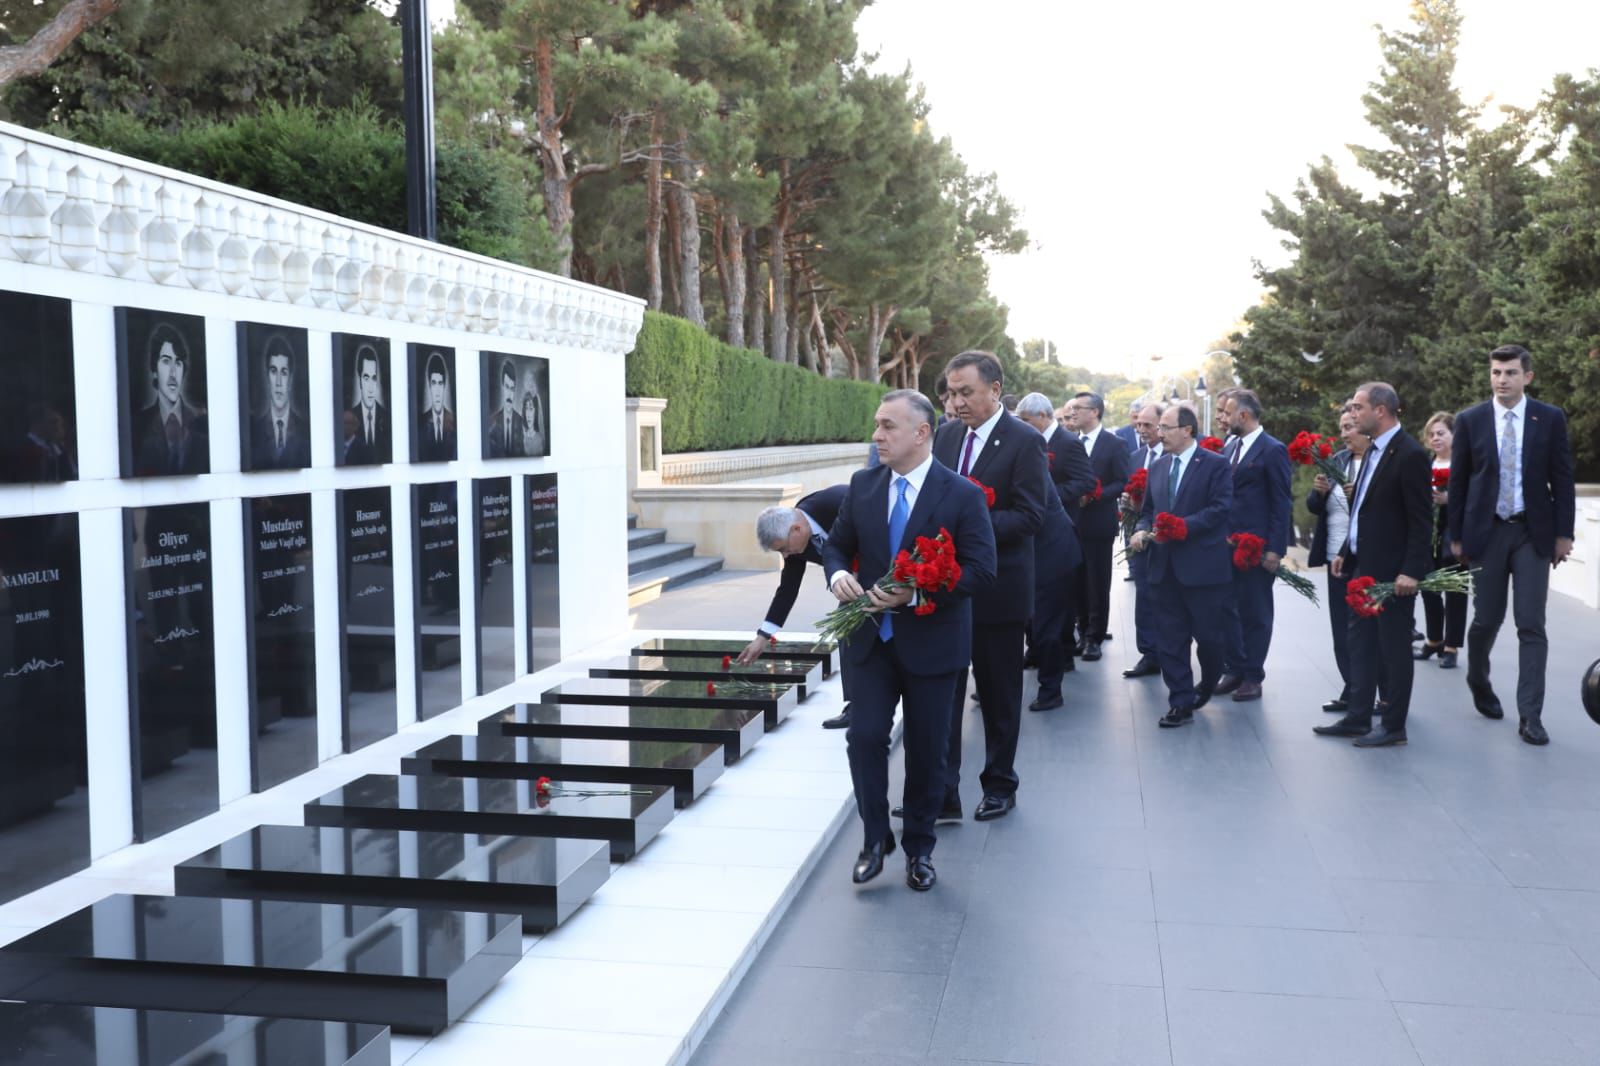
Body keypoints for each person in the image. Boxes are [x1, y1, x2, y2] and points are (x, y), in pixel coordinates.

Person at [822, 389, 996, 891]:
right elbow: (836, 545)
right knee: (865, 737)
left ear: (922, 433)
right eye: (877, 424)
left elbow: (982, 572)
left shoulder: (961, 494)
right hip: (870, 643)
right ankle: (876, 838)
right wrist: (836, 577)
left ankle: (919, 849)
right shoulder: (863, 484)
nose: (876, 435)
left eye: (888, 426)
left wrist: (916, 590)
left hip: (934, 645)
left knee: (927, 751)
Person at [933, 351, 1047, 822]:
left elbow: (1030, 515)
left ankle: (1000, 785)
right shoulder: (944, 435)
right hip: (946, 590)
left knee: (999, 695)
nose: (957, 403)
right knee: (943, 696)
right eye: (952, 393)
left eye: (966, 393)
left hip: (999, 591)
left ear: (995, 390)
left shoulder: (1024, 441)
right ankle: (943, 793)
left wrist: (968, 525)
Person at [1448, 344, 1576, 746]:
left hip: (1531, 533)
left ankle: (1530, 716)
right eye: (1496, 373)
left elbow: (1563, 477)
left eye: (1510, 373)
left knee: (1531, 623)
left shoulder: (1549, 418)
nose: (1501, 380)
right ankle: (1478, 679)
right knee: (1486, 618)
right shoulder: (1470, 420)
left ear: (1527, 377)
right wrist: (1456, 537)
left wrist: (1563, 534)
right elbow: (1459, 480)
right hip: (1486, 534)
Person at [1315, 382, 1431, 748]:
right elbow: (1362, 509)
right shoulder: (1372, 452)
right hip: (1361, 568)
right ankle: (1357, 717)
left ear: (1380, 410)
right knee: (1360, 643)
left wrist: (1411, 570)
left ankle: (1393, 726)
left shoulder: (1409, 453)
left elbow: (1420, 520)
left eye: (1357, 407)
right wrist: (1346, 554)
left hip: (1393, 574)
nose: (1351, 413)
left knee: (1393, 650)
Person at [1127, 404, 1233, 727]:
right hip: (1163, 567)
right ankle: (1180, 702)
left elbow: (1221, 508)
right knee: (1171, 638)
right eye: (1159, 428)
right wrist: (1141, 528)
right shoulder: (1158, 467)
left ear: (1187, 430)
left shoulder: (1215, 465)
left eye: (1165, 428)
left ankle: (1211, 678)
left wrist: (1184, 526)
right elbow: (1148, 509)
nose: (1159, 434)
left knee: (1210, 638)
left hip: (1203, 569)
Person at [739, 486, 855, 729]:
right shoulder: (794, 542)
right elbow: (788, 588)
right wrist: (763, 636)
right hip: (852, 583)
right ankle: (856, 706)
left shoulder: (837, 502)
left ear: (796, 529)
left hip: (883, 565)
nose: (786, 554)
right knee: (847, 630)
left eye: (783, 548)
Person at [1212, 389, 1292, 702]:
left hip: (1257, 549)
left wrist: (1275, 549)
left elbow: (1281, 502)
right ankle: (1234, 667)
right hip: (1227, 545)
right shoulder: (1230, 445)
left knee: (1255, 612)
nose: (1223, 418)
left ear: (1243, 415)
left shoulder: (1272, 449)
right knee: (1228, 609)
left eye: (1227, 413)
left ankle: (1252, 675)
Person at [1014, 392, 1086, 710]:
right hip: (1029, 553)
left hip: (1053, 552)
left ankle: (1050, 690)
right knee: (1030, 622)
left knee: (1048, 627)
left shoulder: (1030, 457)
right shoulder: (1025, 451)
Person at [1306, 408, 1366, 712]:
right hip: (1333, 556)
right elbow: (1314, 506)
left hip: (1362, 556)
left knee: (1364, 628)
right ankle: (1350, 687)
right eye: (1341, 427)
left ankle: (1370, 690)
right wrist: (1318, 493)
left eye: (1350, 427)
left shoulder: (1375, 462)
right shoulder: (1337, 461)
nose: (1344, 433)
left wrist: (1360, 495)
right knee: (1340, 627)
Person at [1066, 390, 1131, 661]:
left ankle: (1095, 636)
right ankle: (1081, 630)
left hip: (1099, 524)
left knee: (1097, 582)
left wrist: (1096, 494)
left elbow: (1122, 481)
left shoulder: (1113, 444)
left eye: (1079, 408)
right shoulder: (1069, 442)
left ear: (1095, 412)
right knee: (1075, 581)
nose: (1073, 413)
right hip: (1072, 524)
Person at [1415, 411, 1466, 669]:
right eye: (1431, 434)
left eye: (1441, 433)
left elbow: (1475, 499)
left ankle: (1451, 646)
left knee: (1455, 590)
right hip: (1427, 535)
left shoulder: (1463, 465)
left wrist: (1450, 500)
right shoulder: (1425, 464)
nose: (1435, 438)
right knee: (1429, 589)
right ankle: (1434, 639)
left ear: (1454, 436)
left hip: (1454, 535)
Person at [1122, 400, 1165, 678]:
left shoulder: (1172, 457)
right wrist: (1129, 504)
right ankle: (1149, 654)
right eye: (1138, 424)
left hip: (1167, 537)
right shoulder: (1136, 457)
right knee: (1144, 595)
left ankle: (1170, 651)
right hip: (1138, 535)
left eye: (1147, 425)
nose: (1141, 429)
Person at [130, 322, 208, 477]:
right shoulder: (138, 426)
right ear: (154, 370)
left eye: (178, 363)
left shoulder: (200, 423)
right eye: (166, 361)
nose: (173, 373)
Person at [249, 336, 310, 470]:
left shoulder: (305, 428)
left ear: (291, 377)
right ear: (267, 375)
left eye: (283, 372)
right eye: (273, 371)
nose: (278, 382)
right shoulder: (254, 429)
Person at [343, 344, 390, 465]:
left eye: (374, 378)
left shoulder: (387, 417)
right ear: (359, 379)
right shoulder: (351, 416)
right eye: (366, 378)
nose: (370, 387)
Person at [417, 351, 456, 462]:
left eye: (440, 383)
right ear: (429, 386)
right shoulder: (422, 427)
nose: (437, 391)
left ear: (445, 386)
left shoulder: (452, 427)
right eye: (434, 383)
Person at [485, 359, 525, 458]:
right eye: (507, 387)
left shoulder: (521, 422)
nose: (509, 394)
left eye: (512, 388)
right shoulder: (492, 422)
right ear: (502, 386)